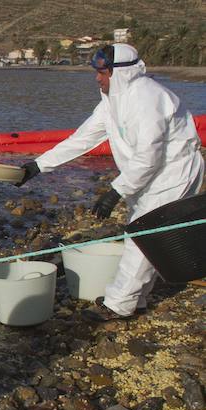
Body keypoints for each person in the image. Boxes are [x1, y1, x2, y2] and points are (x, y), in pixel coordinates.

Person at [15, 43, 204, 321]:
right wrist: (38, 166)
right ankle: (135, 299)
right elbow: (84, 138)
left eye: (101, 72)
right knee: (142, 235)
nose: (97, 77)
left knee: (141, 234)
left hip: (172, 173)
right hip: (145, 175)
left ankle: (119, 304)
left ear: (120, 72)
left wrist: (115, 191)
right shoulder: (112, 99)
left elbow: (148, 157)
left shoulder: (147, 99)